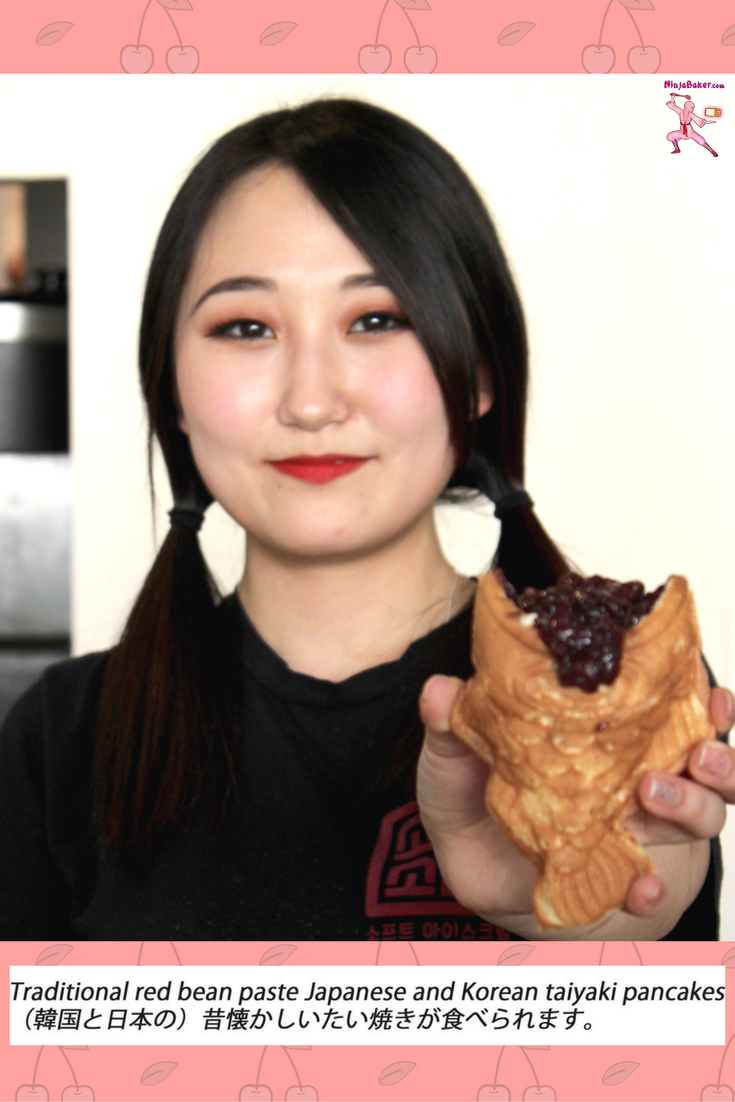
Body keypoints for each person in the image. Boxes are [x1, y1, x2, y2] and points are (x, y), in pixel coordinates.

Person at [0, 97, 732, 942]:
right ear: (172, 391)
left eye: (377, 320)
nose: (312, 401)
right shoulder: (60, 741)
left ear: (478, 371)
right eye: (246, 327)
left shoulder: (618, 684)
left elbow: (635, 1001)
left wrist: (599, 927)